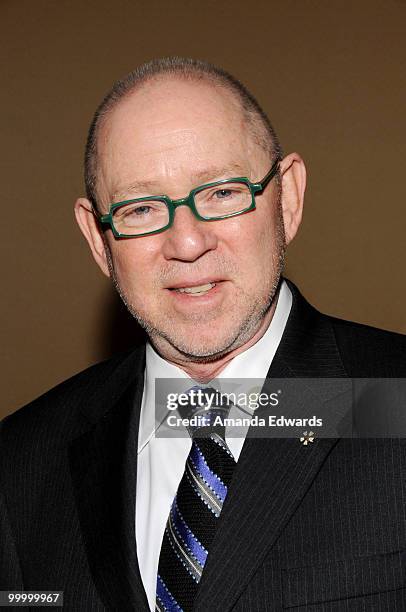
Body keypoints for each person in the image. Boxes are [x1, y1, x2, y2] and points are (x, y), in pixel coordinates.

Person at [1, 57, 405, 611]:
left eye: (221, 192)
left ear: (286, 198)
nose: (187, 243)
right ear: (99, 241)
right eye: (141, 208)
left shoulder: (395, 403)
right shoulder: (20, 465)